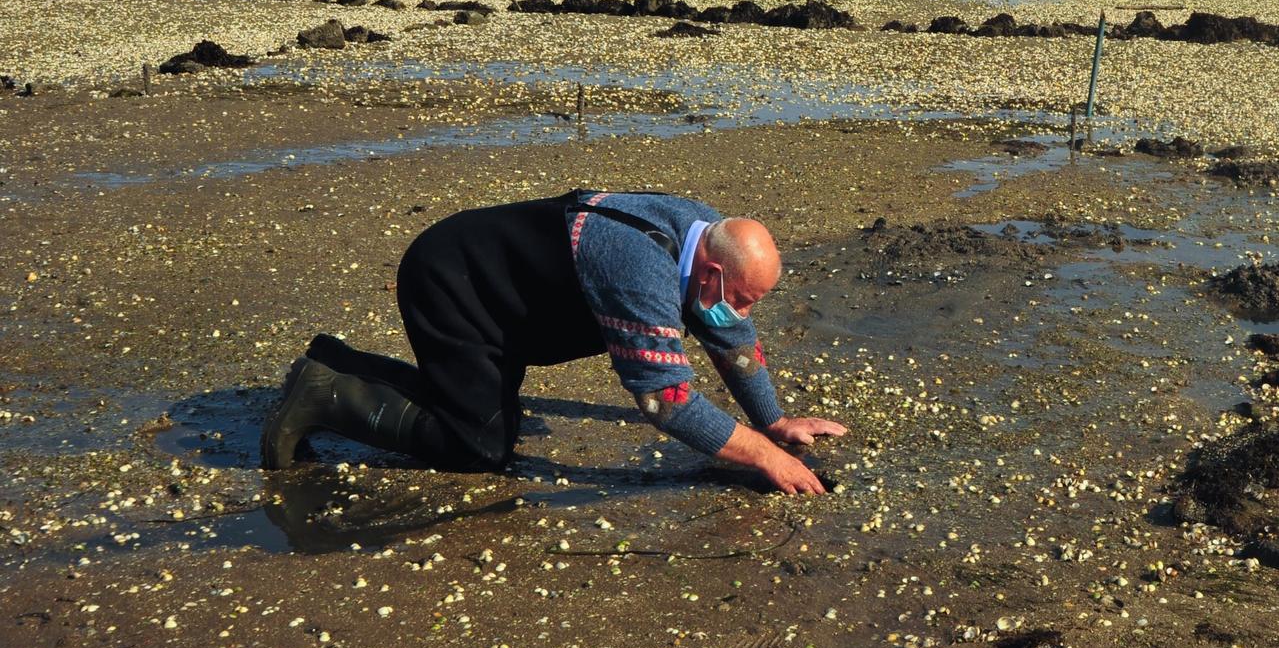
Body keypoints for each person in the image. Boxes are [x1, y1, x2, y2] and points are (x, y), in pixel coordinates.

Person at [261, 191, 844, 493]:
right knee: (478, 449)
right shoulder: (641, 271)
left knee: (489, 420)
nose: (742, 313)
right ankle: (322, 389)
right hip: (455, 285)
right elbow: (665, 401)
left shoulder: (704, 236)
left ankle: (334, 363)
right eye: (743, 297)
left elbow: (727, 328)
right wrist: (763, 455)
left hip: (508, 292)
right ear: (713, 273)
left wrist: (772, 421)